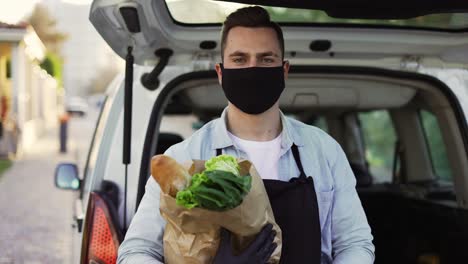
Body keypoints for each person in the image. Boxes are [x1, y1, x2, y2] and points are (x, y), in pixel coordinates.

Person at [118, 6, 374, 264]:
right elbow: (134, 253)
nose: (253, 69)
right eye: (240, 59)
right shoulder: (184, 156)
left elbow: (356, 244)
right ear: (221, 72)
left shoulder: (323, 151)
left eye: (266, 59)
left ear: (284, 70)